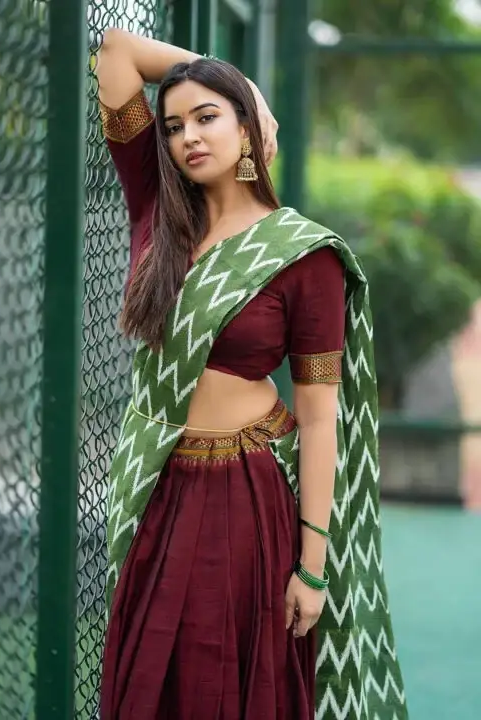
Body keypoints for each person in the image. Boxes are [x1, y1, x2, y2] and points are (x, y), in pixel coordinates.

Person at [96, 28, 407, 720]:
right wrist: (236, 83)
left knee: (232, 680)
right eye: (174, 125)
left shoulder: (303, 258)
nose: (187, 137)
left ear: (245, 131)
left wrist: (312, 567)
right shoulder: (155, 209)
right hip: (159, 483)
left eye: (209, 116)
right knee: (151, 679)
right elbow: (116, 50)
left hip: (247, 493)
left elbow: (321, 416)